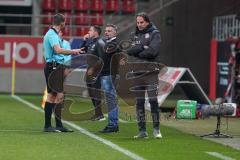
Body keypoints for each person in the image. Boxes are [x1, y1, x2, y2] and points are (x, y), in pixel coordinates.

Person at [43, 13, 83, 132]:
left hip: (55, 67)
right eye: (65, 22)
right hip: (53, 67)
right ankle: (51, 125)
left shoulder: (52, 34)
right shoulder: (52, 34)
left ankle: (52, 125)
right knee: (57, 95)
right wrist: (74, 51)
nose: (65, 24)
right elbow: (58, 50)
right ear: (62, 23)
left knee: (54, 95)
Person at [126, 12, 162, 138]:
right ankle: (142, 131)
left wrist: (138, 50)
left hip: (151, 72)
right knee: (139, 102)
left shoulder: (155, 33)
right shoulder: (133, 34)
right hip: (136, 72)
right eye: (138, 22)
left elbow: (153, 51)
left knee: (153, 100)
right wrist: (143, 47)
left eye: (142, 22)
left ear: (147, 22)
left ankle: (156, 129)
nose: (139, 24)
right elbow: (129, 50)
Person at [99, 24, 120, 133]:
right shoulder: (109, 43)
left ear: (115, 33)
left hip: (110, 75)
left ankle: (113, 124)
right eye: (106, 31)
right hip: (107, 74)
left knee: (111, 100)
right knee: (110, 99)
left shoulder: (114, 44)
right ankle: (112, 124)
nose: (106, 32)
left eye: (109, 31)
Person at [83, 26, 105, 121]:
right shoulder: (92, 43)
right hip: (89, 70)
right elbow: (82, 50)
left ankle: (99, 114)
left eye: (90, 30)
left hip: (96, 71)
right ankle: (98, 113)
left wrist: (93, 68)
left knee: (96, 92)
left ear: (95, 32)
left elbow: (102, 59)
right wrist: (84, 40)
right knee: (91, 92)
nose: (88, 32)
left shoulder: (100, 43)